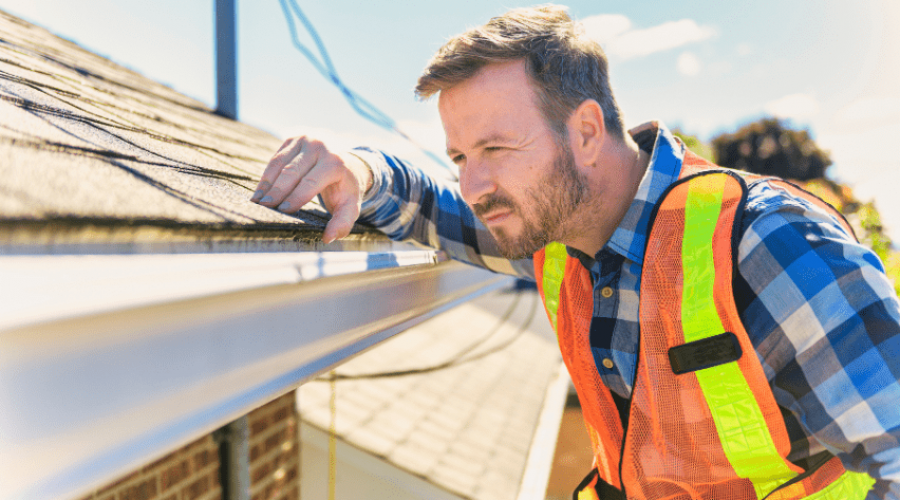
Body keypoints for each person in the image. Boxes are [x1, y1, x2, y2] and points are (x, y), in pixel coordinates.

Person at [251, 5, 900, 499]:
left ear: (586, 131)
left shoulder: (766, 241)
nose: (472, 185)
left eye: (496, 150)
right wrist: (356, 171)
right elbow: (430, 205)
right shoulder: (556, 240)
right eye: (460, 157)